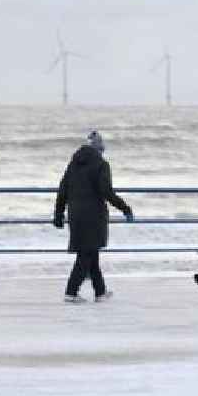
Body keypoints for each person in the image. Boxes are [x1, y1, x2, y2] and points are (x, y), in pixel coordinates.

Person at [54, 130, 134, 303]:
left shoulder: (73, 164)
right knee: (86, 255)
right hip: (93, 215)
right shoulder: (101, 165)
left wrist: (58, 214)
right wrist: (125, 208)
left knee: (91, 253)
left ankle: (100, 292)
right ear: (99, 149)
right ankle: (71, 292)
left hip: (75, 214)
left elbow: (63, 190)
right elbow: (106, 192)